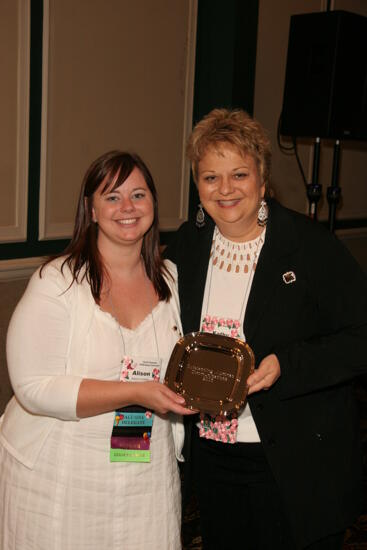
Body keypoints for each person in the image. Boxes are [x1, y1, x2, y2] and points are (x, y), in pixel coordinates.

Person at [165, 108, 367, 549]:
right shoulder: (187, 246)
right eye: (210, 178)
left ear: (262, 177)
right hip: (215, 457)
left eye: (238, 174)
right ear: (197, 185)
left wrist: (286, 365)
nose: (225, 190)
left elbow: (360, 336)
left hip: (295, 458)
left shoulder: (309, 247)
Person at [0, 150, 195, 549]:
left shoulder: (171, 278)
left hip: (145, 471)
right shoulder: (57, 282)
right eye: (112, 196)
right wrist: (135, 392)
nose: (127, 207)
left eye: (139, 195)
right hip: (62, 472)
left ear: (154, 206)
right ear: (91, 210)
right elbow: (33, 387)